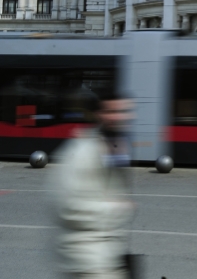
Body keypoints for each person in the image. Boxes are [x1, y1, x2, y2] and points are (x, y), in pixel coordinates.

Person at [51, 90, 136, 278]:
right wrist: (117, 208)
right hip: (87, 260)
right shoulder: (79, 151)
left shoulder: (117, 147)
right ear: (99, 114)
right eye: (111, 112)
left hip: (109, 257)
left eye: (123, 111)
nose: (117, 117)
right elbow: (67, 206)